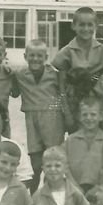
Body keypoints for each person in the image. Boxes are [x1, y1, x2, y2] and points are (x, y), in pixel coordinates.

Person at [12, 39, 67, 193]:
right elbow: (14, 92)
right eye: (32, 55)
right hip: (32, 118)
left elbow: (63, 95)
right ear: (25, 56)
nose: (35, 59)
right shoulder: (20, 74)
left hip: (52, 118)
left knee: (53, 160)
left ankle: (53, 194)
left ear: (46, 57)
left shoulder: (54, 74)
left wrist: (65, 115)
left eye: (39, 56)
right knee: (35, 163)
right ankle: (33, 197)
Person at [52, 7, 103, 133]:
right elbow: (61, 87)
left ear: (96, 26)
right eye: (82, 25)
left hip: (97, 104)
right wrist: (67, 114)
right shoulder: (66, 52)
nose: (86, 29)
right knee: (77, 142)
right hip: (75, 105)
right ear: (73, 26)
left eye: (90, 25)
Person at [62, 96, 103, 194]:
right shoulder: (70, 140)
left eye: (93, 114)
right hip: (74, 189)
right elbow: (65, 167)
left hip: (99, 190)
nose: (89, 118)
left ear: (101, 116)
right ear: (79, 116)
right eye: (85, 114)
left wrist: (98, 188)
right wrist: (74, 187)